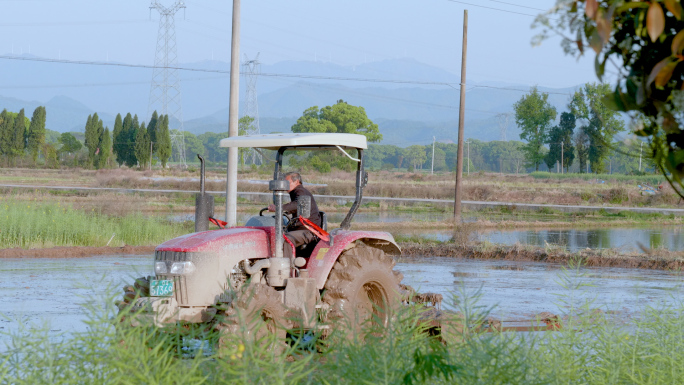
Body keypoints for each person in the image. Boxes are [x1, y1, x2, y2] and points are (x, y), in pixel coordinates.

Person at [268, 172, 321, 259]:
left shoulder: (300, 191)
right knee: (274, 236)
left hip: (308, 231)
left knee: (286, 239)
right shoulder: (296, 193)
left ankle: (286, 267)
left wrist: (278, 207)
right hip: (301, 229)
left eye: (287, 183)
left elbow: (297, 204)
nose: (285, 186)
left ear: (296, 181)